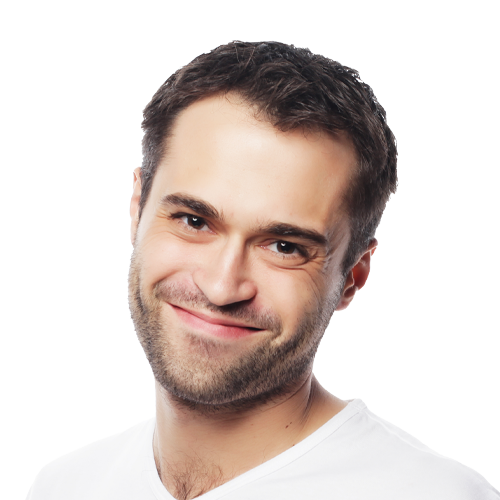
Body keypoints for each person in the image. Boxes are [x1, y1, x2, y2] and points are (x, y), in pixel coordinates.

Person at [26, 40, 499, 500]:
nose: (220, 286)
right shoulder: (64, 487)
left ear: (353, 275)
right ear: (137, 207)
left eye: (284, 247)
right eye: (194, 221)